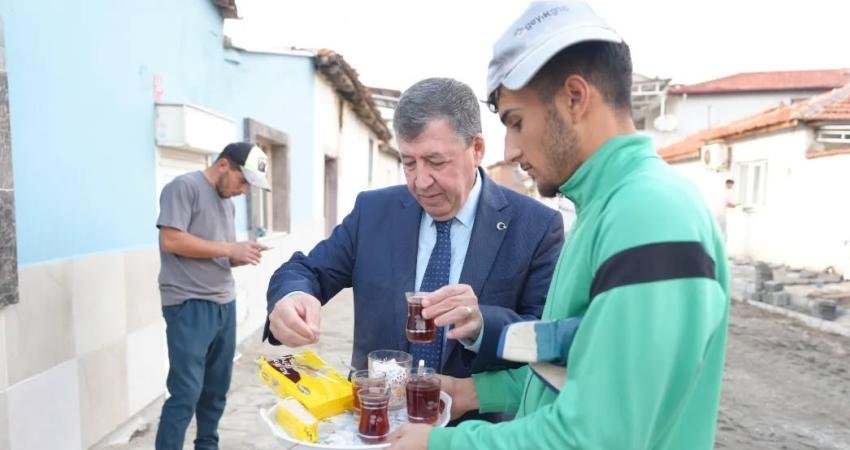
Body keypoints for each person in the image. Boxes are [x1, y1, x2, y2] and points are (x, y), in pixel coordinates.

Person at [388, 1, 730, 449]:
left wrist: (440, 445)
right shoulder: (607, 207)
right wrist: (472, 391)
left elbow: (598, 436)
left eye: (516, 121)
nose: (509, 150)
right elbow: (578, 364)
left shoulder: (650, 214)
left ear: (574, 98)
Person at [264, 78, 564, 396]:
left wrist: (481, 325)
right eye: (408, 163)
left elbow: (544, 336)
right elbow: (306, 271)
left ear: (476, 149)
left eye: (436, 162)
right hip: (377, 423)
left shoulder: (536, 226)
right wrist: (290, 298)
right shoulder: (373, 212)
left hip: (474, 433)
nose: (420, 181)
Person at [155, 142, 270, 450]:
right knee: (186, 392)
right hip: (188, 302)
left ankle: (207, 446)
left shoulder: (227, 203)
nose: (244, 190)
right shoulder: (184, 187)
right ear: (223, 165)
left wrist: (239, 254)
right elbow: (171, 239)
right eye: (242, 181)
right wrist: (228, 249)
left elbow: (219, 252)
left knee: (216, 390)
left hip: (223, 302)